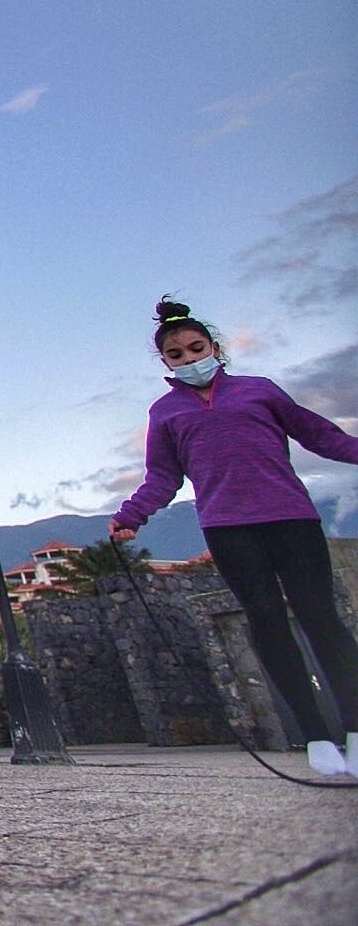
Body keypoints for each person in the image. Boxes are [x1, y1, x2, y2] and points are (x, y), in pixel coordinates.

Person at [111, 299, 358, 778]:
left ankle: (355, 728)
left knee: (321, 617)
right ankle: (316, 736)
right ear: (166, 363)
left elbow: (320, 435)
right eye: (177, 355)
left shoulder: (258, 391)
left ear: (215, 348)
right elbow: (163, 477)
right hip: (228, 528)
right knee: (266, 619)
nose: (188, 359)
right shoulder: (165, 413)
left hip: (292, 519)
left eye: (196, 348)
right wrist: (131, 514)